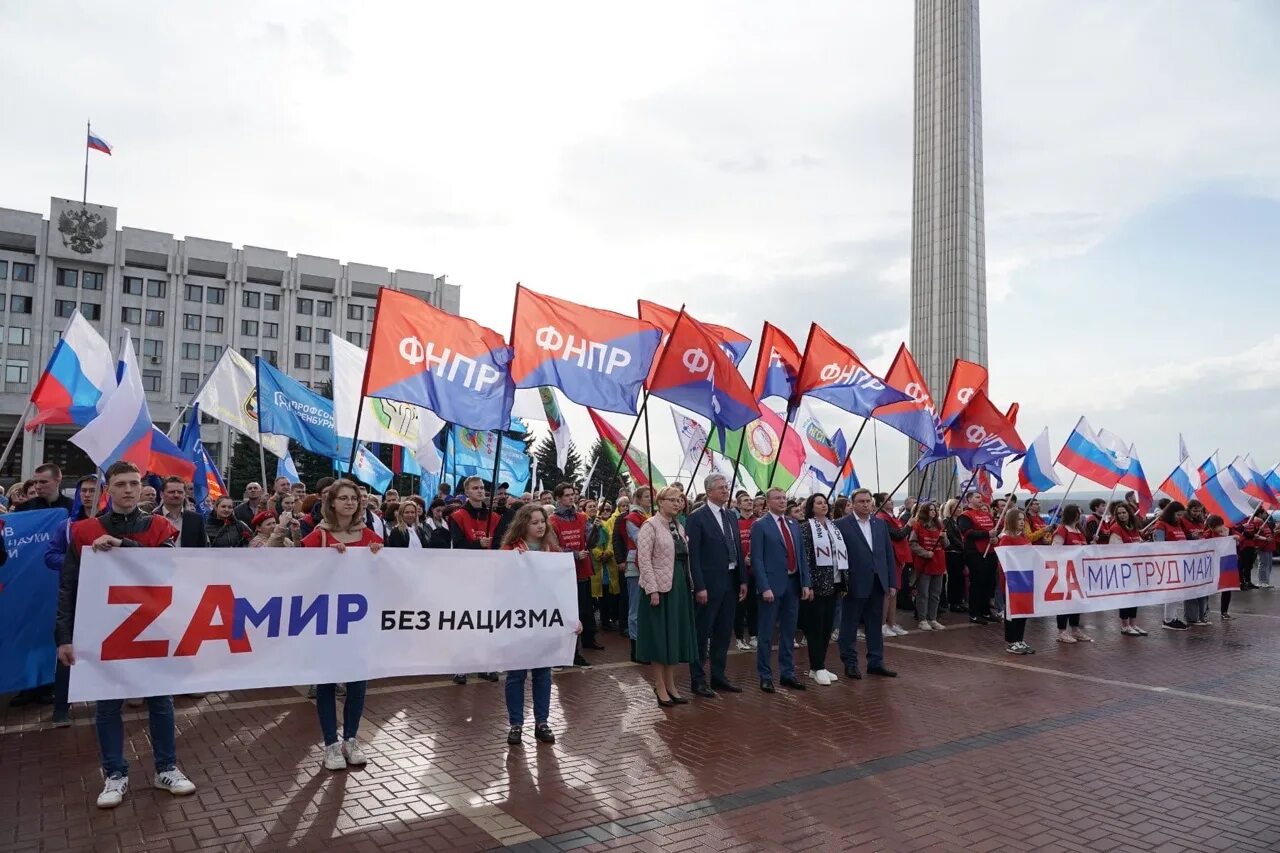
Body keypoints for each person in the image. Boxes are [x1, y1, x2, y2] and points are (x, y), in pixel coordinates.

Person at [55, 461, 196, 808]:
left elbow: (167, 569)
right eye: (121, 484)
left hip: (152, 628)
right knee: (107, 705)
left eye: (134, 483)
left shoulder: (160, 526)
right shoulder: (84, 531)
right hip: (104, 631)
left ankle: (166, 768)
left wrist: (122, 545)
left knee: (160, 701)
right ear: (109, 489)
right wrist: (63, 635)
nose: (129, 490)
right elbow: (68, 586)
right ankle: (115, 773)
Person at [300, 478, 383, 771]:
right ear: (331, 502)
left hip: (359, 622)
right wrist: (326, 561)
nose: (350, 502)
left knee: (357, 682)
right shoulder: (318, 537)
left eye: (354, 498)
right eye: (344, 498)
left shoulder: (371, 536)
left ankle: (350, 738)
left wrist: (376, 557)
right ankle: (330, 744)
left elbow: (385, 576)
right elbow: (300, 573)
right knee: (327, 683)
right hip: (326, 620)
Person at [499, 502, 580, 745]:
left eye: (542, 521)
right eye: (534, 522)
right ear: (523, 524)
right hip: (518, 622)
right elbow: (500, 584)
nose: (540, 526)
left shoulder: (552, 552)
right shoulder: (509, 550)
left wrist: (571, 617)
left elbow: (563, 589)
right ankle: (515, 724)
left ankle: (542, 722)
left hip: (544, 621)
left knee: (543, 674)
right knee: (516, 674)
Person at [636, 486, 699, 705]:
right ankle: (659, 686)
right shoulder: (649, 526)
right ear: (660, 502)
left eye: (680, 500)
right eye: (672, 500)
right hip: (660, 589)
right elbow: (644, 560)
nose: (677, 503)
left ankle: (671, 684)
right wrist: (652, 589)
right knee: (660, 637)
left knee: (675, 635)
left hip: (679, 586)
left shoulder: (678, 526)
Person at [685, 474, 747, 697]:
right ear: (709, 491)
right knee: (703, 632)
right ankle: (698, 679)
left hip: (731, 583)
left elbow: (738, 549)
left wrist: (742, 580)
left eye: (726, 486)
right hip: (709, 585)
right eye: (721, 487)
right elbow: (694, 556)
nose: (725, 490)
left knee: (723, 632)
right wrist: (699, 586)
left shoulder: (731, 515)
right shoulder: (697, 518)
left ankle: (719, 676)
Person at [750, 487, 813, 692]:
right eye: (777, 498)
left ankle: (787, 673)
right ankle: (765, 675)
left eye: (784, 498)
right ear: (768, 502)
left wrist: (806, 583)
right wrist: (764, 587)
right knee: (767, 633)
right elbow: (757, 558)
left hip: (793, 584)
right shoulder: (760, 526)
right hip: (772, 586)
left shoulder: (794, 524)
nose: (782, 501)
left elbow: (801, 555)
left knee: (789, 632)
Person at [834, 488, 898, 680]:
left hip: (878, 582)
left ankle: (876, 662)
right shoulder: (841, 525)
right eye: (861, 501)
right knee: (849, 625)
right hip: (853, 583)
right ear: (852, 504)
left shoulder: (879, 524)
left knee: (875, 624)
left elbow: (888, 554)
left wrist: (891, 582)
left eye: (868, 501)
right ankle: (850, 663)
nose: (865, 504)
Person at [447, 477, 502, 684]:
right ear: (466, 492)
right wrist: (478, 543)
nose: (480, 491)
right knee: (464, 621)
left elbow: (499, 544)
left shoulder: (494, 517)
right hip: (465, 575)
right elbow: (458, 545)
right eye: (475, 488)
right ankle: (460, 666)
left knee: (486, 621)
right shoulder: (457, 516)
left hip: (488, 575)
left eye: (482, 488)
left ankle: (484, 665)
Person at [798, 493, 847, 686]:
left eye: (825, 502)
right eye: (819, 503)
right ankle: (817, 666)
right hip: (817, 586)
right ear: (811, 507)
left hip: (834, 582)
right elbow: (806, 558)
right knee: (815, 627)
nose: (823, 505)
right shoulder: (806, 528)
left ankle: (819, 665)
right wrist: (807, 584)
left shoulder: (834, 527)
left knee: (827, 626)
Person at [549, 483, 600, 664]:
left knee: (584, 610)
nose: (572, 498)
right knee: (570, 613)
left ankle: (584, 643)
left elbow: (591, 542)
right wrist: (575, 554)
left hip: (582, 572)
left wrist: (596, 530)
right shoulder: (552, 520)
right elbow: (554, 547)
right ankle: (571, 652)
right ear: (559, 498)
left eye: (573, 495)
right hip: (565, 573)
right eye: (567, 495)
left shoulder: (582, 517)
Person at [994, 509, 1035, 654]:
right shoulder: (1006, 538)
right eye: (1018, 519)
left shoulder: (1024, 538)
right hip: (1011, 580)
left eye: (1023, 519)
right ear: (1011, 521)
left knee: (1023, 610)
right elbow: (1003, 559)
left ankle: (1020, 639)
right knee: (1012, 611)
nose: (1022, 522)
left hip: (1025, 578)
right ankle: (1012, 641)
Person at [1104, 502, 1147, 636]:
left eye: (1124, 512)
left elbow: (1138, 543)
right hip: (1123, 568)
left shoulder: (1133, 528)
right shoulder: (1116, 529)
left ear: (1129, 513)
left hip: (1135, 567)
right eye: (1119, 513)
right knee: (1126, 597)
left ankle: (1133, 623)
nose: (1122, 515)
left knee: (1136, 596)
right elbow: (1115, 549)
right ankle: (1125, 625)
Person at [1051, 505, 1092, 643]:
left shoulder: (1079, 530)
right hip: (1065, 571)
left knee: (1076, 601)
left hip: (1079, 571)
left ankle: (1075, 629)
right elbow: (1055, 550)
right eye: (1078, 513)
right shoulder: (1062, 530)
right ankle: (1061, 631)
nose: (1080, 515)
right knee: (1064, 602)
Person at [956, 492, 998, 624]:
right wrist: (987, 534)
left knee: (989, 582)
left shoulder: (986, 514)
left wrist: (994, 538)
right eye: (977, 497)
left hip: (990, 551)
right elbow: (967, 532)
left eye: (981, 497)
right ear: (969, 499)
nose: (981, 499)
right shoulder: (965, 515)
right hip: (975, 553)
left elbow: (993, 530)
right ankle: (974, 613)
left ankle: (985, 611)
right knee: (977, 583)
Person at [875, 494, 913, 636]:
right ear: (880, 502)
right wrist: (909, 525)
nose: (891, 501)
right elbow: (897, 535)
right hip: (889, 556)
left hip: (898, 557)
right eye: (888, 499)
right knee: (888, 592)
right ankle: (882, 624)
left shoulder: (892, 517)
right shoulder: (881, 517)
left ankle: (892, 622)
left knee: (894, 591)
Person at [623, 487, 653, 661]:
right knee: (635, 607)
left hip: (651, 564)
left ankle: (646, 644)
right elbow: (640, 539)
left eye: (651, 497)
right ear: (638, 499)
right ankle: (636, 647)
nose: (650, 500)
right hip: (636, 564)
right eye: (646, 497)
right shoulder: (632, 518)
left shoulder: (652, 517)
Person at [908, 502, 948, 631]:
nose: (933, 512)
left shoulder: (939, 525)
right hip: (924, 563)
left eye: (935, 510)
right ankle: (922, 619)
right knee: (923, 593)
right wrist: (924, 553)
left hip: (939, 562)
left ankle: (933, 618)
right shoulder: (918, 525)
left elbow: (946, 545)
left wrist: (943, 538)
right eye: (930, 510)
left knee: (936, 593)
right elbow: (912, 543)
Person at [586, 499, 620, 633]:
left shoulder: (605, 524)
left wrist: (608, 552)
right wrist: (598, 553)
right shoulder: (586, 523)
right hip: (595, 564)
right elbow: (589, 542)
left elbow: (611, 538)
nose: (593, 508)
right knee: (594, 595)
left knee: (607, 593)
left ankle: (606, 620)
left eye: (595, 506)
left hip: (607, 564)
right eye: (590, 507)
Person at [156, 477, 209, 547]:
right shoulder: (152, 518)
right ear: (161, 494)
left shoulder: (196, 519)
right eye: (171, 492)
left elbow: (202, 547)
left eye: (180, 492)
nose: (176, 495)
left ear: (185, 494)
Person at [1206, 514, 1239, 620]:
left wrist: (1236, 538)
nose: (1217, 529)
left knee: (1227, 587)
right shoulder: (1208, 534)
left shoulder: (1229, 531)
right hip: (1212, 563)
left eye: (1218, 526)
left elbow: (1239, 540)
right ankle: (1205, 610)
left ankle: (1224, 611)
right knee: (1207, 587)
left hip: (1226, 563)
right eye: (1214, 527)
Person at [941, 498, 967, 613]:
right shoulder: (947, 521)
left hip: (962, 552)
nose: (959, 509)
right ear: (950, 509)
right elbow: (951, 536)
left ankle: (959, 601)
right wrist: (962, 546)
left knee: (960, 578)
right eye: (955, 507)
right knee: (954, 578)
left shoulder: (960, 521)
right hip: (953, 552)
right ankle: (953, 602)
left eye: (960, 507)